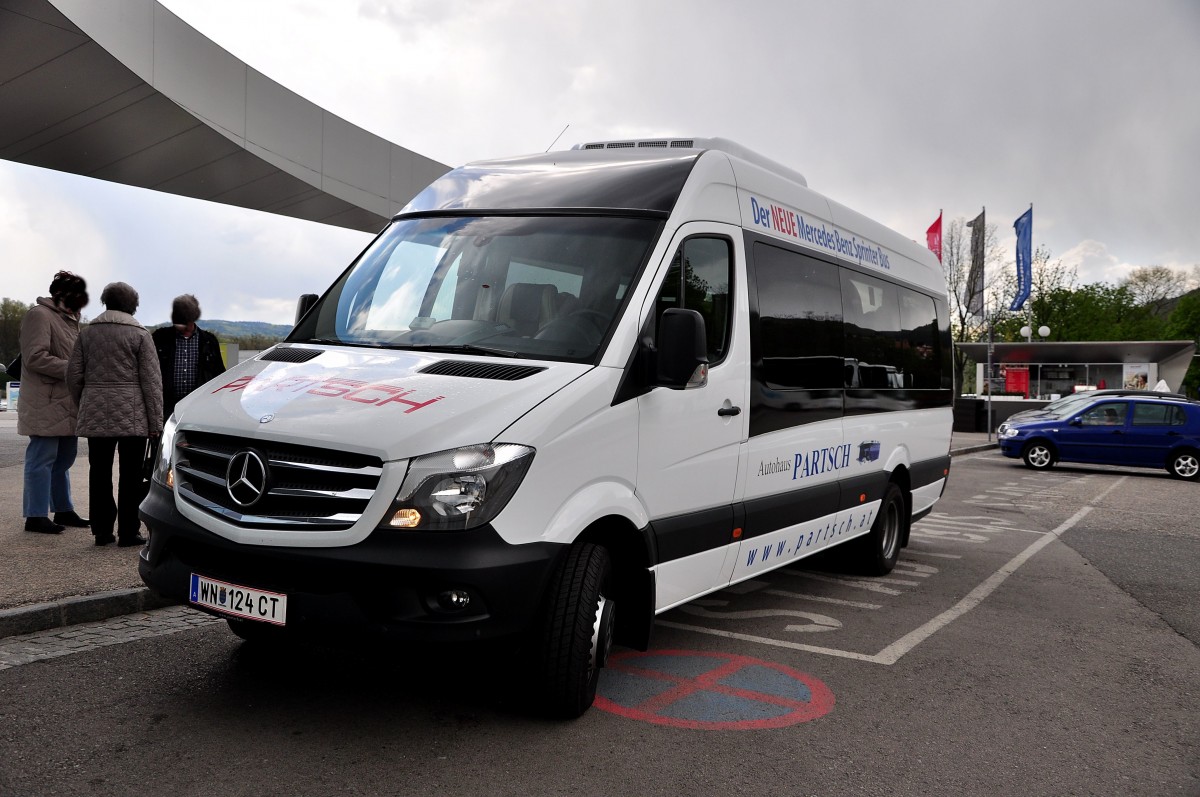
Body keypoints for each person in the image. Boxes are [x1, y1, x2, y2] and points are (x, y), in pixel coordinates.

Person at [67, 282, 163, 547]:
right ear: (132, 304)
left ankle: (101, 530)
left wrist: (85, 401)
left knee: (99, 472)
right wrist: (155, 423)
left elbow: (73, 375)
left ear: (105, 301)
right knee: (130, 476)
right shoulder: (140, 334)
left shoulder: (87, 333)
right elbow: (151, 383)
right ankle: (129, 531)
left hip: (96, 410)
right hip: (133, 415)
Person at [18, 271, 91, 534]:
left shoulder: (70, 319)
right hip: (45, 401)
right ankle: (35, 515)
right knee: (41, 459)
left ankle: (63, 509)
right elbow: (34, 357)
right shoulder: (39, 314)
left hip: (66, 401)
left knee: (63, 459)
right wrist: (75, 369)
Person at [151, 294, 226, 420]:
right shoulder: (160, 338)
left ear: (192, 318)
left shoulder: (209, 341)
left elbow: (219, 375)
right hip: (166, 408)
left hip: (199, 408)